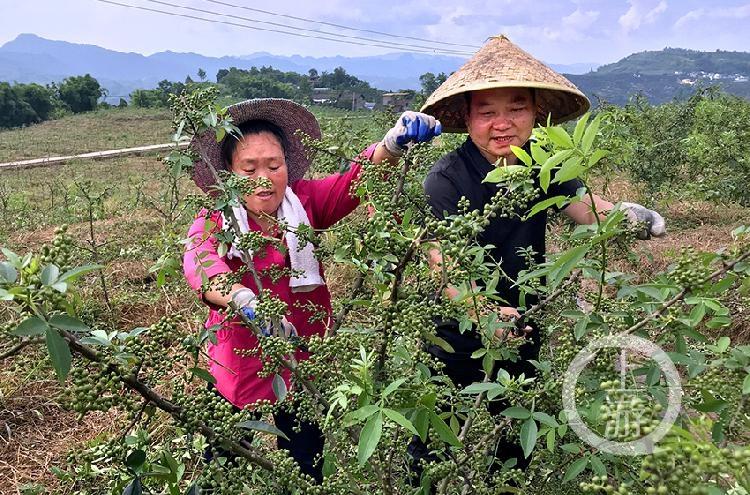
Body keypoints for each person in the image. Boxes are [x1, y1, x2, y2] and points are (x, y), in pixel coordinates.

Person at [409, 35, 667, 478]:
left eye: (516, 109)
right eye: (487, 112)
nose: (502, 123)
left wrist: (630, 217)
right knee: (434, 448)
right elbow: (442, 267)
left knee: (515, 446)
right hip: (455, 335)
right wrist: (484, 314)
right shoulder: (445, 180)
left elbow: (585, 208)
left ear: (536, 114)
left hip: (527, 320)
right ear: (468, 117)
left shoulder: (541, 161)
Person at [182, 98, 440, 483]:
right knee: (224, 461)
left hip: (303, 354)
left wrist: (391, 144)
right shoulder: (215, 219)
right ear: (229, 174)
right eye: (248, 168)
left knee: (306, 461)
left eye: (274, 165)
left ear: (288, 164)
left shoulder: (303, 202)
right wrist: (242, 298)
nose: (263, 178)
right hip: (238, 357)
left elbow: (355, 181)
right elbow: (202, 267)